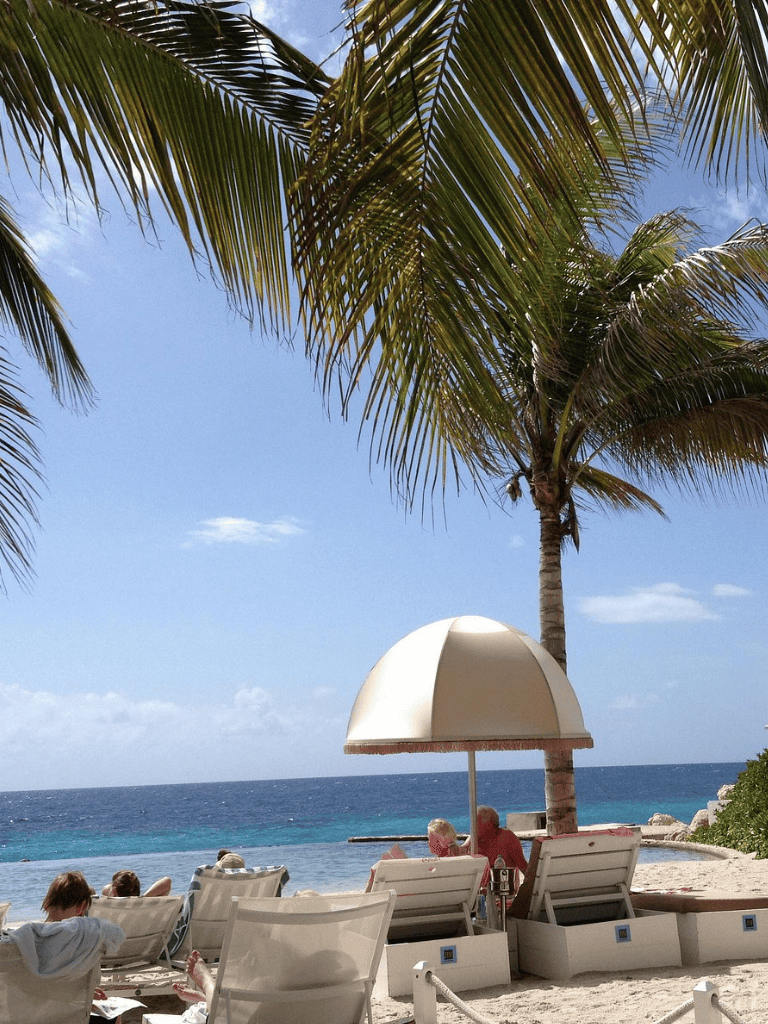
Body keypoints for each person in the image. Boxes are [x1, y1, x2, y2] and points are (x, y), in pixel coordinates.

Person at [7, 870, 126, 1023]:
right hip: (69, 1017)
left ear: (47, 903)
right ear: (81, 907)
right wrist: (84, 992)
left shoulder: (23, 941)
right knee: (115, 1016)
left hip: (27, 1017)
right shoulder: (89, 937)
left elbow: (22, 988)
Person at [470, 805, 528, 875]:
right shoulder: (474, 840)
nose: (473, 826)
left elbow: (523, 865)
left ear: (489, 824)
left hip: (505, 882)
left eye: (476, 822)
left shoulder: (506, 837)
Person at [101, 869, 172, 897]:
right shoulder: (143, 907)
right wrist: (144, 897)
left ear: (113, 891)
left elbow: (105, 889)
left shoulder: (108, 909)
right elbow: (167, 881)